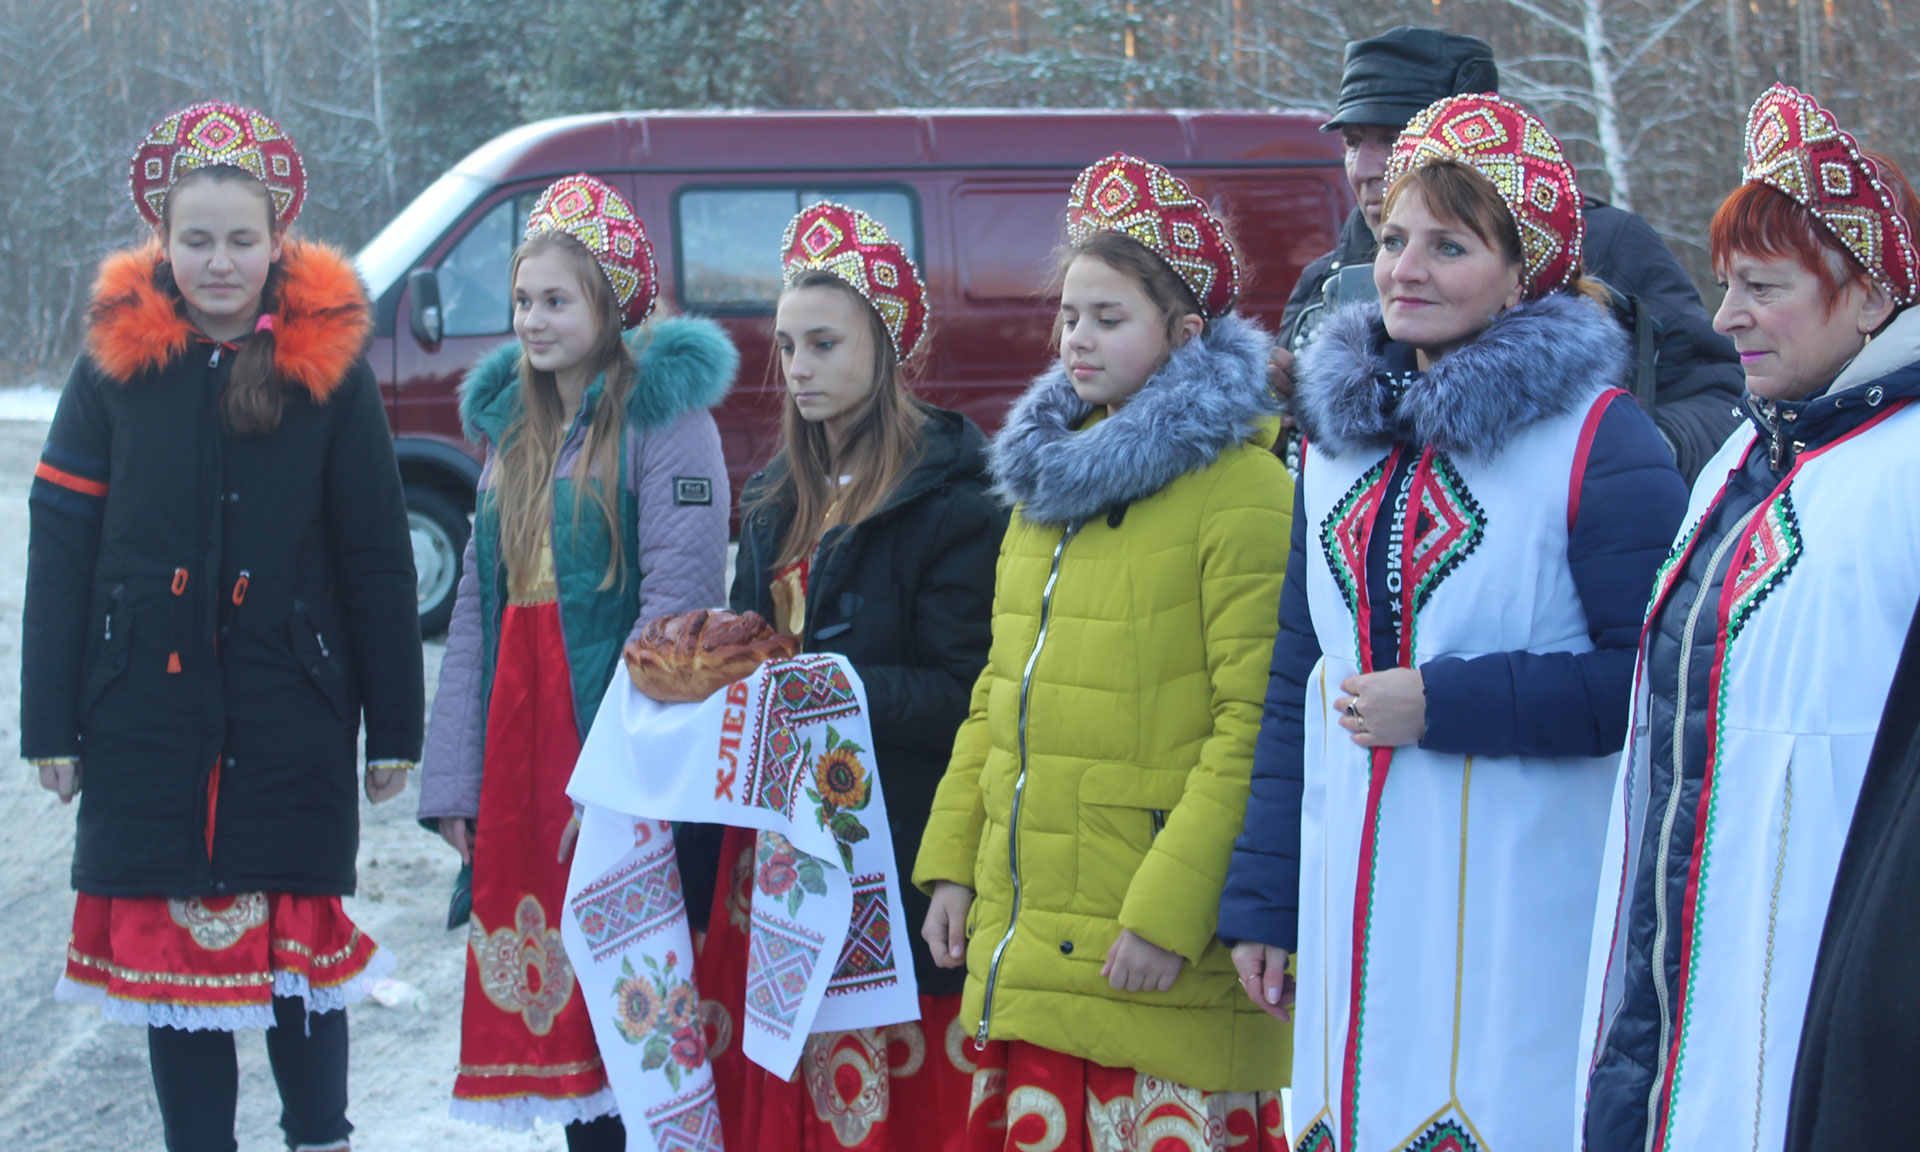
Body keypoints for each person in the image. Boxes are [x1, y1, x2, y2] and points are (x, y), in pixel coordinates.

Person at [1219, 94, 1686, 1151]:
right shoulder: (1334, 443)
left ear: (1524, 273)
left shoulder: (1600, 440)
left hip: (1520, 913)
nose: (1406, 269)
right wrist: (1267, 898)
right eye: (1394, 240)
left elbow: (1657, 686)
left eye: (1450, 245)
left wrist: (1447, 702)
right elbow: (1298, 673)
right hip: (1351, 899)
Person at [22, 101, 423, 1152]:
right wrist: (50, 725)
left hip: (291, 712)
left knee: (298, 959)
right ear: (161, 239)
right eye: (196, 239)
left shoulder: (329, 372)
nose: (219, 262)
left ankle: (320, 1137)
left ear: (278, 239)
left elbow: (377, 555)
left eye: (242, 239)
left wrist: (395, 729)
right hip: (143, 720)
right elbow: (60, 549)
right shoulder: (114, 367)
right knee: (176, 974)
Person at [913, 154, 1293, 1150]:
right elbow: (998, 694)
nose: (1075, 338)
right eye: (1069, 315)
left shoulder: (1244, 489)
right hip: (1034, 929)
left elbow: (1255, 725)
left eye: (1108, 317)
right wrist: (953, 863)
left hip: (1149, 943)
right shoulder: (1047, 490)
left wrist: (1171, 914)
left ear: (1186, 333)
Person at [1581, 83, 1920, 1152]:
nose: (1726, 317)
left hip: (1835, 967)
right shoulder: (1747, 451)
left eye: (1762, 287)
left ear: (1871, 297)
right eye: (1726, 283)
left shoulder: (1907, 469)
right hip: (1685, 957)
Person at [415, 174, 736, 1147]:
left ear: (612, 305)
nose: (533, 319)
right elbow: (477, 612)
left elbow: (675, 613)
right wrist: (457, 781)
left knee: (632, 1004)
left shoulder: (665, 423)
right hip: (520, 757)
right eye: (523, 300)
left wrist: (622, 781)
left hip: (606, 749)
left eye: (557, 299)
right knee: (559, 1021)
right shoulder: (513, 433)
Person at [677, 201, 1005, 1150]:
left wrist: (825, 687)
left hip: (888, 849)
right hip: (775, 852)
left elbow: (963, 693)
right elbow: (749, 650)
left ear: (887, 346)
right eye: (786, 346)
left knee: (884, 1112)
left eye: (824, 344)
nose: (798, 367)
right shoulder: (776, 494)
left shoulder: (956, 501)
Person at [1275, 25, 1743, 483]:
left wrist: (1631, 456)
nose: (1365, 168)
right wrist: (1284, 417)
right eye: (1352, 142)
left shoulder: (1605, 243)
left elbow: (1718, 395)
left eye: (1395, 138)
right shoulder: (1322, 282)